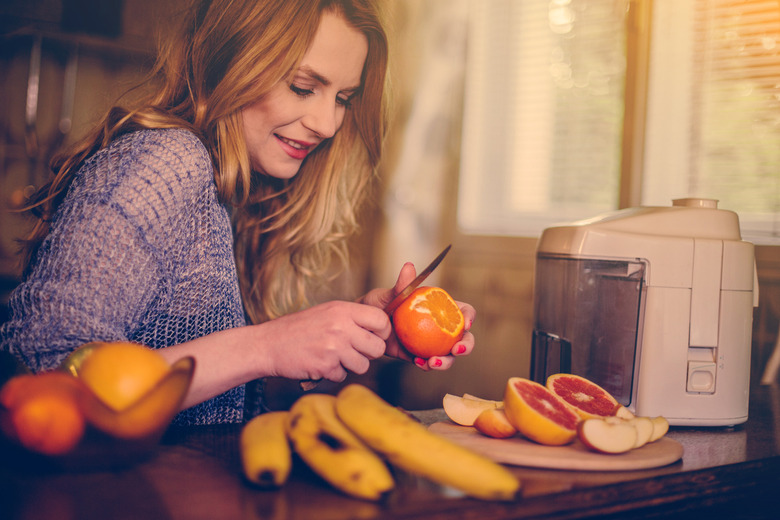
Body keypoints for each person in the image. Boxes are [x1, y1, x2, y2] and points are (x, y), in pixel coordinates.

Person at [0, 0, 476, 425]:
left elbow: (212, 408)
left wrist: (331, 345)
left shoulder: (238, 192)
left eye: (343, 99)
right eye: (303, 85)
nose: (328, 124)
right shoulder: (167, 161)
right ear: (232, 61)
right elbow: (42, 368)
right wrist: (265, 345)